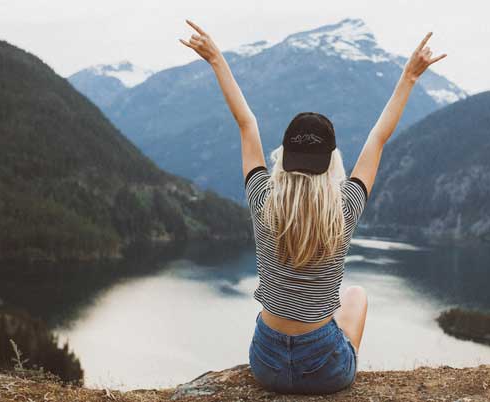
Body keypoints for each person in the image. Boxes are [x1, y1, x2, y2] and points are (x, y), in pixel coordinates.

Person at [179, 19, 446, 394]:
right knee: (355, 296)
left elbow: (246, 123)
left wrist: (216, 60)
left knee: (310, 311)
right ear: (330, 162)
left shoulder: (262, 200)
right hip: (326, 371)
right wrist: (409, 77)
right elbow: (378, 137)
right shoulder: (345, 208)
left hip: (266, 362)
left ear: (284, 157)